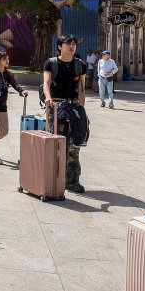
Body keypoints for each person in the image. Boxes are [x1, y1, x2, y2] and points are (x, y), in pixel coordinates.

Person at [42, 34, 87, 193]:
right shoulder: (51, 63)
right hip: (56, 107)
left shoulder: (80, 65)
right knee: (56, 144)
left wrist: (81, 110)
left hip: (73, 107)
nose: (72, 46)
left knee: (74, 145)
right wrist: (48, 97)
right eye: (68, 43)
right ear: (60, 46)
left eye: (74, 44)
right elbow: (46, 83)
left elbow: (81, 89)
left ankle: (72, 181)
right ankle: (51, 178)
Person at [0, 51, 27, 165]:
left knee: (4, 131)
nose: (7, 61)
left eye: (7, 58)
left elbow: (15, 84)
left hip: (2, 104)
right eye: (5, 59)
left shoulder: (7, 74)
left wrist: (21, 91)